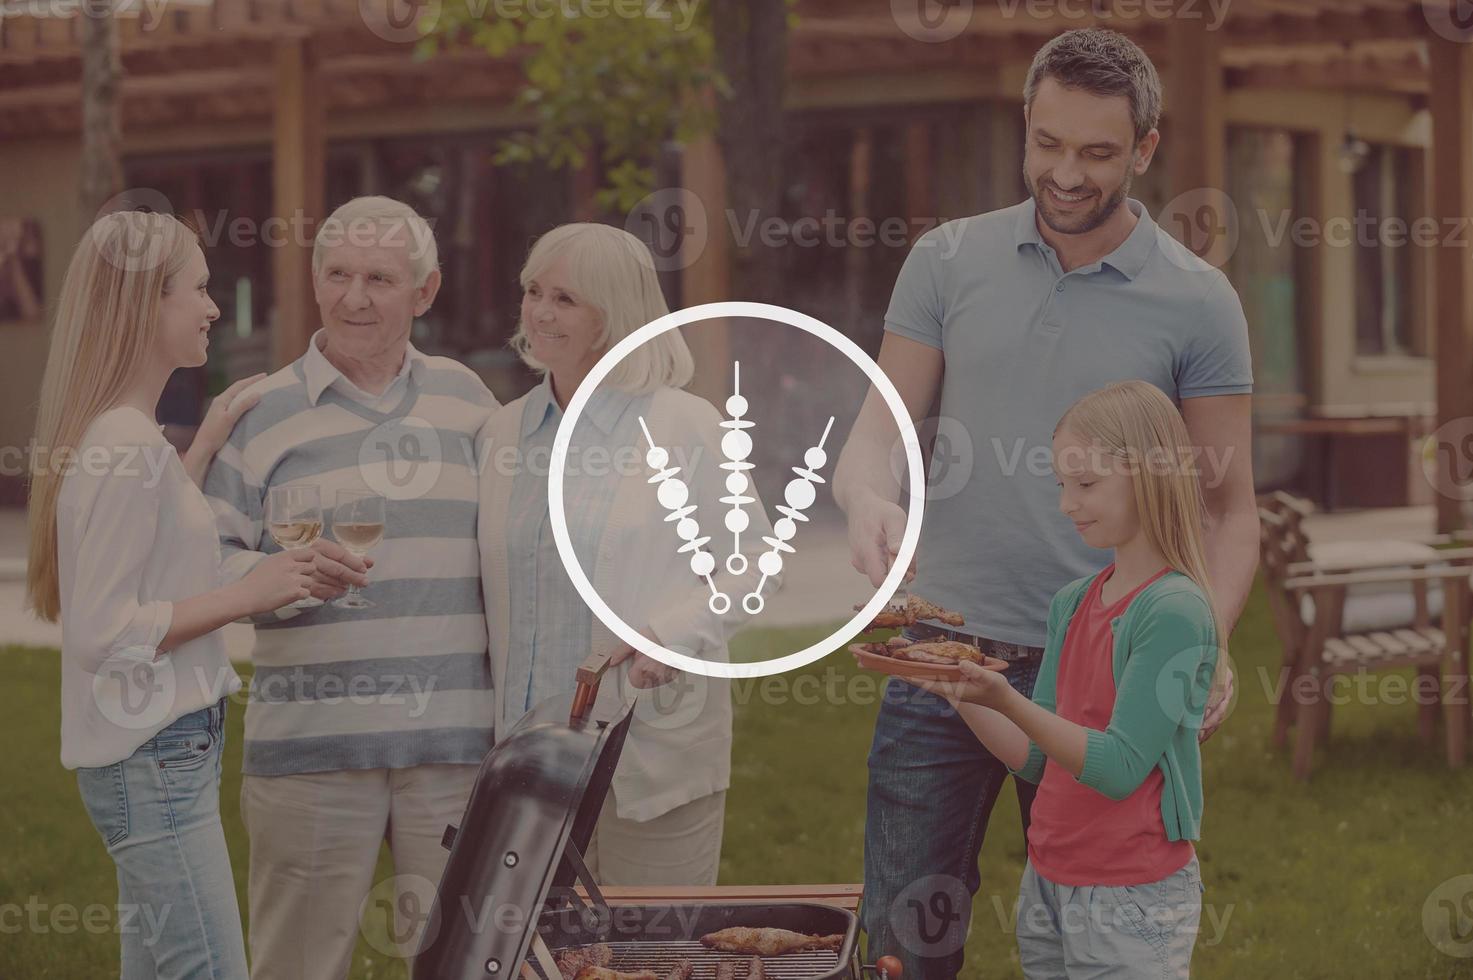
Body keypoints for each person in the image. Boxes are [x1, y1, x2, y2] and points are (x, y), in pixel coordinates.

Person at [831, 28, 1258, 978]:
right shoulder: (946, 261)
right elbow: (876, 431)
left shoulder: (1198, 302)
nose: (1065, 173)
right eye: (1048, 144)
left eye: (1098, 154)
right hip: (942, 657)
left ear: (1145, 150)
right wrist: (864, 494)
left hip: (1099, 673)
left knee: (1091, 942)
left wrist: (1210, 640)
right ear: (1025, 122)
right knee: (900, 944)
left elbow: (1230, 511)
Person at [202, 196, 499, 978]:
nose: (354, 297)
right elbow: (205, 563)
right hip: (310, 752)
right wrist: (272, 579)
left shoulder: (468, 404)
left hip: (454, 750)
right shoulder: (258, 412)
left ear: (425, 292)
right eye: (337, 274)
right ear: (313, 279)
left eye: (379, 278)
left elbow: (520, 556)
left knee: (467, 964)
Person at [26, 210, 316, 979]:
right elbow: (101, 632)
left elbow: (153, 548)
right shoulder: (125, 447)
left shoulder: (128, 439)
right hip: (152, 758)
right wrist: (249, 594)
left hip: (152, 755)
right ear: (145, 305)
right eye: (199, 288)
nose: (214, 307)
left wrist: (207, 441)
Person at [478, 223, 768, 885]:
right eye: (532, 291)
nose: (541, 312)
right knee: (536, 955)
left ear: (614, 317)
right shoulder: (502, 431)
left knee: (649, 950)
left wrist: (669, 636)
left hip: (647, 752)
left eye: (566, 299)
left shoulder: (685, 425)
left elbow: (755, 562)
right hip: (528, 763)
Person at [914, 380, 1221, 978]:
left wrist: (1005, 696)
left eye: (1086, 484)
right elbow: (1035, 759)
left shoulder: (1174, 611)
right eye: (1062, 485)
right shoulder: (1073, 602)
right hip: (1049, 880)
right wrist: (963, 694)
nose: (1066, 504)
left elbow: (1118, 767)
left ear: (1149, 475)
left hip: (1131, 894)